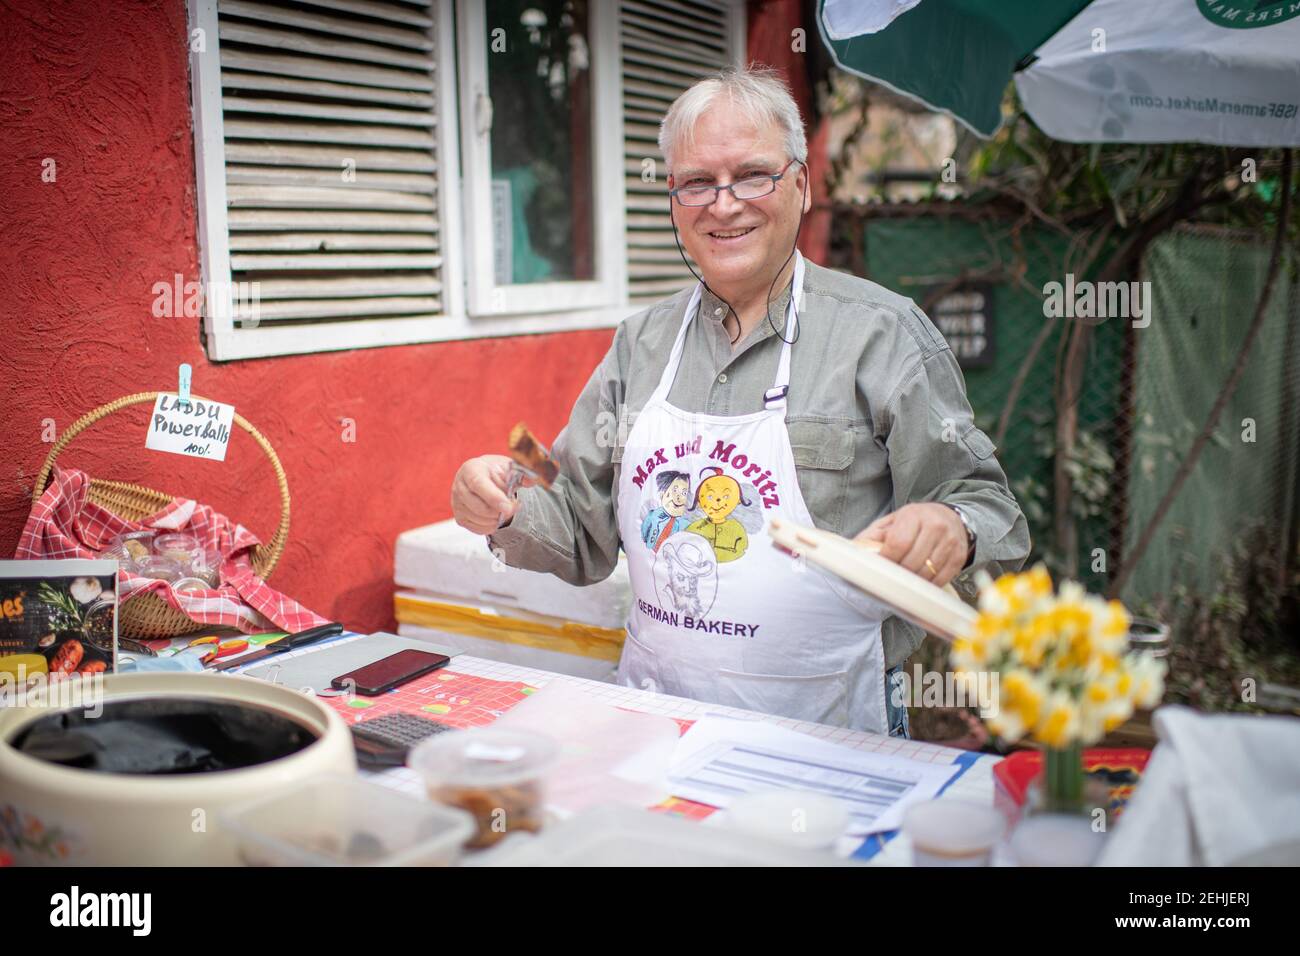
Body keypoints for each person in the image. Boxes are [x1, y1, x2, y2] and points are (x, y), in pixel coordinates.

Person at [451, 66, 1029, 737]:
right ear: (673, 200)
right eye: (696, 182)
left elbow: (991, 507)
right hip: (653, 726)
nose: (724, 205)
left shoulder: (883, 335)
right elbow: (580, 523)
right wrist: (503, 501)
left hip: (832, 736)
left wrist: (952, 527)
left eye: (753, 174)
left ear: (802, 185)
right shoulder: (640, 343)